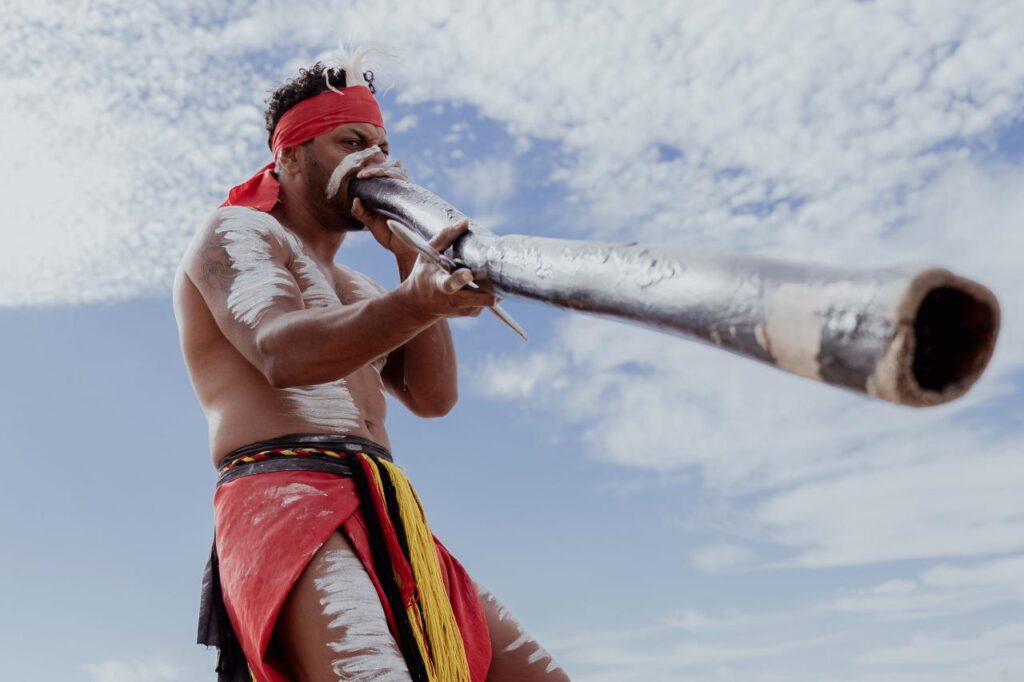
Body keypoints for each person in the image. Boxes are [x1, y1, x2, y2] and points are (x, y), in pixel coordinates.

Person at [172, 52, 570, 682]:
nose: (373, 160)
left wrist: (411, 267)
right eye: (350, 141)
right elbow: (281, 351)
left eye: (382, 146)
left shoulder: (360, 286)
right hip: (287, 494)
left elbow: (432, 397)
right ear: (291, 156)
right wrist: (416, 299)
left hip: (387, 504)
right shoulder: (236, 232)